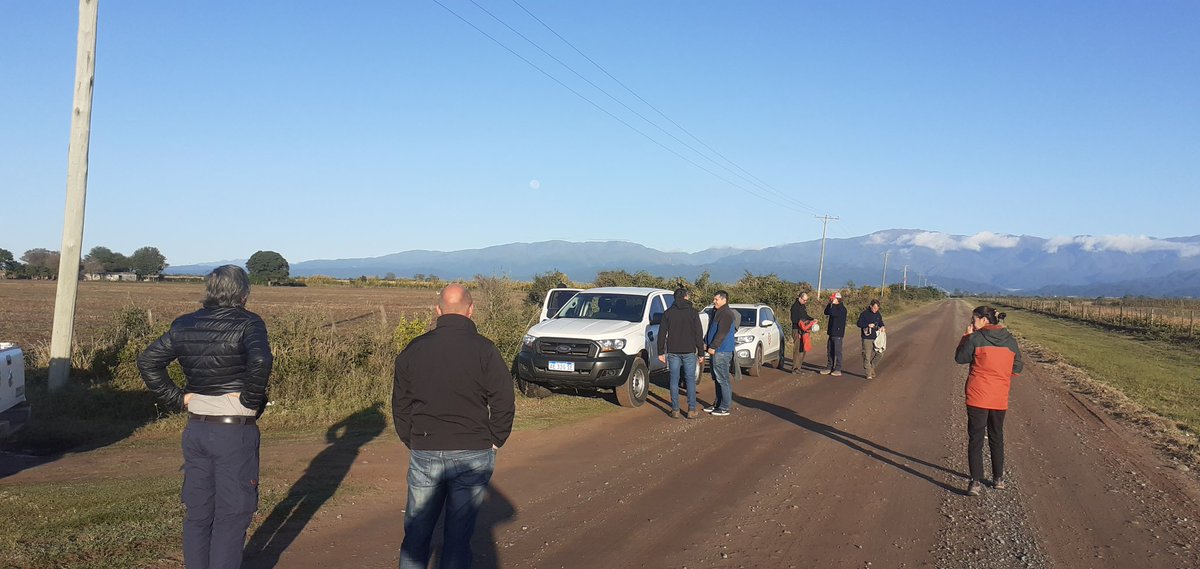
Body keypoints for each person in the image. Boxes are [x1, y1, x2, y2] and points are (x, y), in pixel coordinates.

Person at [137, 265, 273, 569]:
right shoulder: (249, 323)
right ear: (243, 293)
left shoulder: (185, 324)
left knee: (198, 513)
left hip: (196, 428)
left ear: (209, 291)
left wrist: (176, 399)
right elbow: (261, 359)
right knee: (233, 513)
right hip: (233, 431)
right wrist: (251, 400)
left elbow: (148, 361)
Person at [393, 283, 516, 568]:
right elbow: (504, 399)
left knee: (416, 535)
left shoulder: (414, 350)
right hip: (473, 450)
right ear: (471, 310)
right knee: (458, 538)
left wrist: (412, 439)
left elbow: (400, 404)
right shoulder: (485, 350)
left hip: (425, 447)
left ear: (438, 310)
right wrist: (496, 438)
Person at [954, 306, 1023, 497]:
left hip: (977, 395)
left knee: (976, 438)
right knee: (996, 436)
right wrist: (1001, 376)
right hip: (999, 396)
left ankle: (975, 482)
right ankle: (998, 478)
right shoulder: (1010, 340)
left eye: (974, 319)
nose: (972, 322)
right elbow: (1017, 367)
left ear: (984, 320)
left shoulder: (975, 338)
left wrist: (966, 336)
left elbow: (960, 358)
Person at [657, 288, 706, 419]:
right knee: (690, 380)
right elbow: (698, 333)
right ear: (686, 297)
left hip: (673, 351)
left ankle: (675, 410)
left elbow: (662, 333)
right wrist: (701, 353)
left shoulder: (668, 313)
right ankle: (691, 409)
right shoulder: (693, 313)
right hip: (689, 350)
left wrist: (660, 352)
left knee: (674, 379)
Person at [703, 290, 738, 416]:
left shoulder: (726, 313)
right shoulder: (717, 312)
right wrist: (706, 342)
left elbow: (722, 333)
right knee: (717, 379)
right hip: (716, 350)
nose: (714, 301)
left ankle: (725, 407)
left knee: (723, 379)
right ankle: (718, 403)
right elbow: (711, 329)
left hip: (722, 351)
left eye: (716, 299)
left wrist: (713, 346)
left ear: (724, 300)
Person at [856, 299, 886, 379]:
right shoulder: (864, 314)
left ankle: (871, 367)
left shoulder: (878, 314)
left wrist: (882, 326)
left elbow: (880, 322)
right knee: (867, 355)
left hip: (877, 337)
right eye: (874, 308)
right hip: (867, 338)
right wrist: (867, 325)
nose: (876, 310)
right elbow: (858, 323)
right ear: (871, 306)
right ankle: (868, 373)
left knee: (880, 353)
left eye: (877, 308)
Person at [819, 292, 848, 376]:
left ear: (837, 299)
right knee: (830, 351)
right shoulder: (833, 306)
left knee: (837, 351)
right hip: (831, 332)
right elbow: (826, 312)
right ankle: (829, 367)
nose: (832, 300)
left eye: (833, 298)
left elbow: (833, 313)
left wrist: (834, 305)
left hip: (838, 333)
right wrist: (829, 304)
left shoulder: (842, 309)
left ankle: (838, 368)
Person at [789, 291, 816, 374]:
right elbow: (794, 320)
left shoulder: (803, 306)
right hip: (797, 330)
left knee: (803, 348)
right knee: (797, 349)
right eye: (804, 300)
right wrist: (802, 324)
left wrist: (812, 319)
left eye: (806, 300)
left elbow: (805, 316)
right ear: (800, 298)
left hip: (804, 330)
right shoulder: (794, 307)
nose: (805, 302)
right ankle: (795, 368)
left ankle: (799, 367)